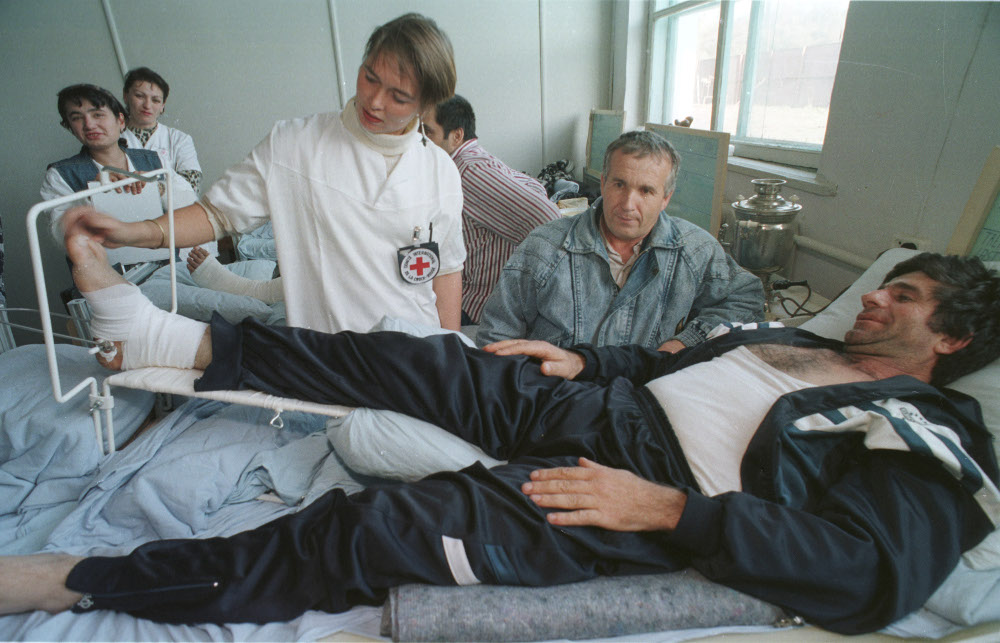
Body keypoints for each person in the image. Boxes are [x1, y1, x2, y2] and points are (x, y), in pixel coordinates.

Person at [3, 229, 998, 635]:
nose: (871, 298)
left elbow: (874, 577)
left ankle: (81, 578)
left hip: (641, 496)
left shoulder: (924, 431)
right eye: (882, 283)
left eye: (899, 296)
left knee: (371, 532)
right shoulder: (797, 337)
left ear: (946, 337)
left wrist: (674, 511)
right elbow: (673, 363)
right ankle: (166, 340)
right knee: (406, 355)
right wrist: (592, 362)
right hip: (603, 403)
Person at [63, 13, 465, 334]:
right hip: (329, 357)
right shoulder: (296, 143)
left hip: (416, 351)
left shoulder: (441, 173)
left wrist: (451, 359)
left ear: (426, 104)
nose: (374, 101)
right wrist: (134, 233)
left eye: (398, 96)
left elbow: (445, 271)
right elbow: (217, 214)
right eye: (369, 77)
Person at [476, 130, 764, 352]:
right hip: (559, 403)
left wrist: (686, 340)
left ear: (666, 199)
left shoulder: (696, 250)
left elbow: (745, 298)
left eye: (646, 191)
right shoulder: (543, 249)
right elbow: (496, 339)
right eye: (619, 184)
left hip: (645, 402)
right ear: (602, 183)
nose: (628, 203)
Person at [422, 95, 560, 324]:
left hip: (477, 308)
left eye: (428, 133)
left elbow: (549, 220)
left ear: (456, 135)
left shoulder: (469, 172)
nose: (421, 141)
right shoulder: (468, 163)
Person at [40, 84, 198, 255]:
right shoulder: (60, 175)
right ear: (69, 127)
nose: (89, 124)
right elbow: (61, 235)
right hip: (110, 276)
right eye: (77, 118)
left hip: (170, 267)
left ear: (121, 121)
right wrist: (95, 194)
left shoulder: (154, 159)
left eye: (98, 114)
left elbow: (191, 206)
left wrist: (158, 188)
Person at [120, 67, 203, 194]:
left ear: (162, 105)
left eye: (155, 100)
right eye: (139, 96)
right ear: (126, 96)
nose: (147, 105)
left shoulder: (179, 139)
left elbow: (192, 187)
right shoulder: (112, 138)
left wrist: (156, 187)